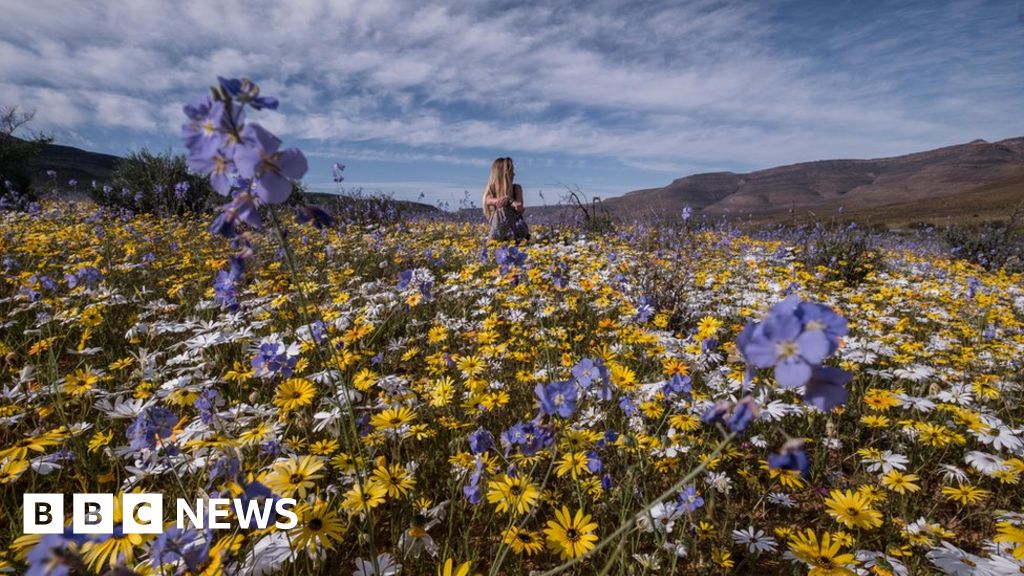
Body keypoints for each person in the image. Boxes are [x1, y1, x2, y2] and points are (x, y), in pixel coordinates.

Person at [482, 157, 530, 242]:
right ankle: (494, 242)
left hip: (516, 231)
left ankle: (494, 242)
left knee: (505, 210)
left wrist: (510, 200)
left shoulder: (517, 188)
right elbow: (487, 200)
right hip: (499, 230)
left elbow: (519, 206)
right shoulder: (491, 190)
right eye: (511, 172)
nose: (514, 174)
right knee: (501, 210)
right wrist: (508, 200)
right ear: (503, 174)